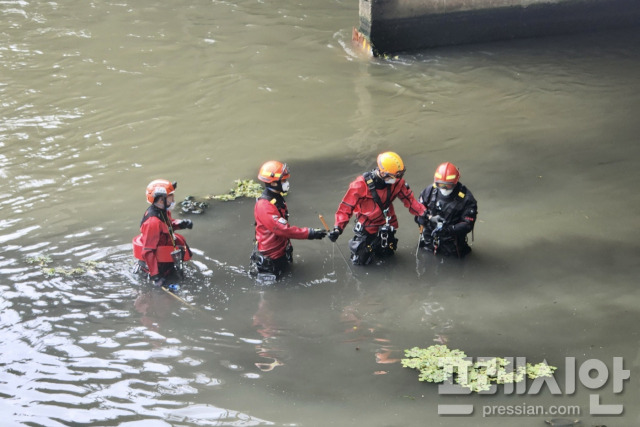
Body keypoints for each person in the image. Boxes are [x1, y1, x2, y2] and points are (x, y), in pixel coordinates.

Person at [328, 151, 427, 265]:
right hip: (367, 226)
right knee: (360, 261)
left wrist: (423, 213)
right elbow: (345, 208)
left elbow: (409, 200)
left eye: (399, 175)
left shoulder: (397, 182)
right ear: (383, 173)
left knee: (388, 256)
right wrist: (337, 229)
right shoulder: (360, 186)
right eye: (394, 176)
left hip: (387, 225)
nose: (397, 179)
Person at [251, 161, 326, 279]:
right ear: (274, 183)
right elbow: (282, 230)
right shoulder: (264, 206)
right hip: (270, 260)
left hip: (282, 251)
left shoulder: (276, 198)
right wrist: (309, 233)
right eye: (284, 181)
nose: (287, 183)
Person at [132, 179, 193, 287]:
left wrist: (181, 224)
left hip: (166, 262)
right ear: (161, 200)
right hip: (157, 267)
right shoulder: (152, 222)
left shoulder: (163, 211)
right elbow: (148, 251)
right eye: (171, 197)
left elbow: (167, 226)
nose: (174, 200)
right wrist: (156, 276)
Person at [416, 162, 477, 258]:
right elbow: (417, 210)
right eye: (440, 184)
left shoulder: (466, 199)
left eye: (448, 185)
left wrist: (448, 230)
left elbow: (467, 224)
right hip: (428, 242)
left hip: (452, 246)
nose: (443, 188)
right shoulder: (429, 191)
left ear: (455, 182)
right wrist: (427, 218)